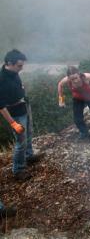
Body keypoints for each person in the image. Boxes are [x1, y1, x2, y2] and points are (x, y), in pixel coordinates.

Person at [0, 49, 43, 181]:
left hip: (24, 106)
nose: (21, 68)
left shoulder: (14, 73)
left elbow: (17, 86)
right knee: (21, 142)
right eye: (19, 65)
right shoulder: (1, 79)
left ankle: (29, 155)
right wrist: (13, 123)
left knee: (29, 133)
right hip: (15, 115)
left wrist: (21, 89)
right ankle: (18, 169)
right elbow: (0, 106)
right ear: (9, 63)